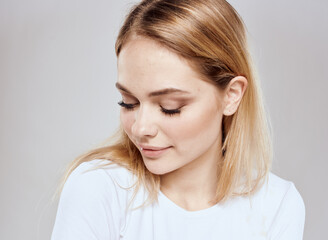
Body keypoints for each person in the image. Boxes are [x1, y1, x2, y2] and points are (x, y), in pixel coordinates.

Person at [51, 0, 305, 239]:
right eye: (128, 102)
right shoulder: (98, 188)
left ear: (231, 95)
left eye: (169, 107)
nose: (141, 128)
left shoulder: (276, 205)